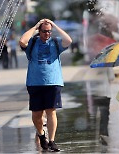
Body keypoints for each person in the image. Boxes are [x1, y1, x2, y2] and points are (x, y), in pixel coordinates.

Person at [19, 19, 72, 152]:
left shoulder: (55, 42)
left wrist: (54, 25)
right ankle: (42, 135)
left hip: (53, 81)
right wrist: (35, 26)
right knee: (37, 115)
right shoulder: (33, 42)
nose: (47, 34)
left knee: (51, 111)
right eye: (44, 31)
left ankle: (52, 141)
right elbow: (22, 41)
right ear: (39, 31)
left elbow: (69, 40)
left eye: (49, 31)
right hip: (34, 82)